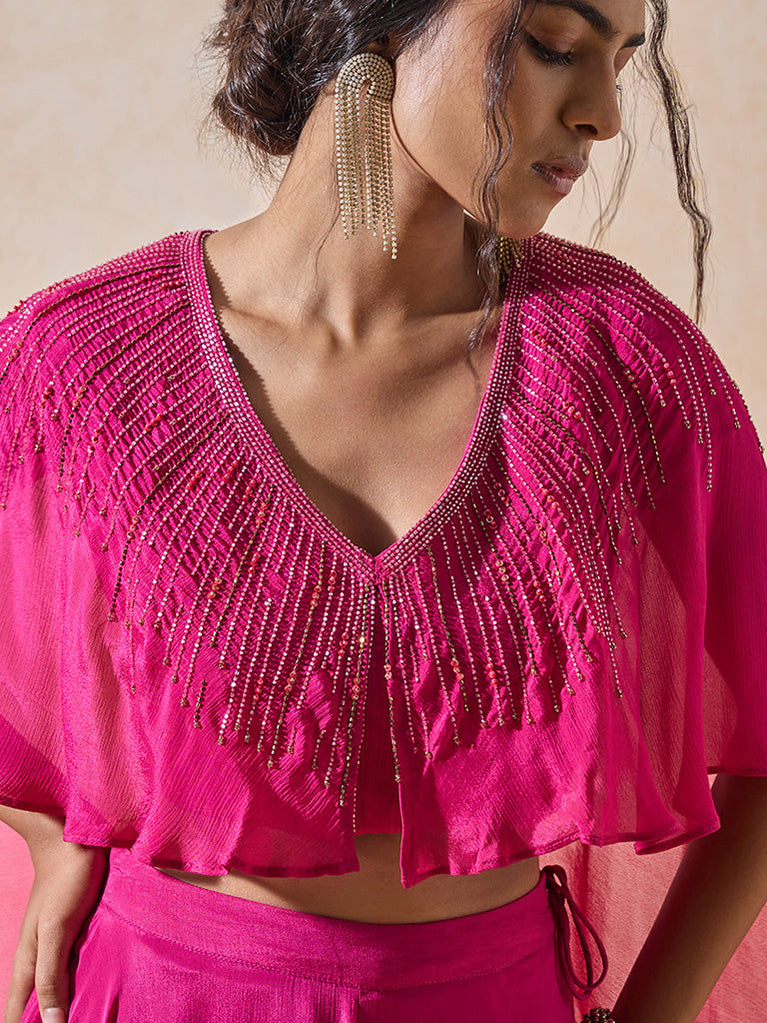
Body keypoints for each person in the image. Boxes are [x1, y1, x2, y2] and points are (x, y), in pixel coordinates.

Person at [1, 0, 766, 1021]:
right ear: (377, 26)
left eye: (619, 63)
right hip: (161, 993)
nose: (602, 115)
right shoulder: (79, 364)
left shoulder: (626, 367)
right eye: (551, 45)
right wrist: (54, 834)